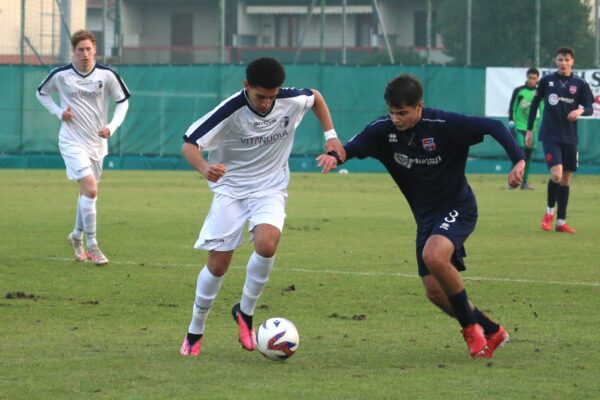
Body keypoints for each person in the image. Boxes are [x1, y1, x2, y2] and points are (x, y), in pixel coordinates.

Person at [317, 74, 525, 358]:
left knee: (434, 256)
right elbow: (350, 149)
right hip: (426, 218)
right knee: (435, 293)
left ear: (419, 107)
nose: (395, 118)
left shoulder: (444, 124)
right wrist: (335, 157)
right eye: (391, 112)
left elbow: (494, 126)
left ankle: (469, 329)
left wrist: (519, 159)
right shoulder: (382, 130)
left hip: (458, 207)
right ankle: (492, 330)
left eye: (402, 112)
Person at [179, 57, 345, 357]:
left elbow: (316, 97)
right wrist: (205, 169)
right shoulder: (230, 111)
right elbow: (189, 143)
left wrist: (330, 137)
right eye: (260, 96)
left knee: (267, 244)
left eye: (272, 96)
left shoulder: (290, 99)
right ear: (246, 86)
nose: (267, 103)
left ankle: (245, 312)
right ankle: (195, 330)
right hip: (230, 190)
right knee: (218, 264)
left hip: (269, 188)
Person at [36, 30, 130, 265]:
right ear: (74, 52)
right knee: (91, 189)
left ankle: (76, 236)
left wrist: (112, 126)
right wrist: (59, 112)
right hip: (71, 141)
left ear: (95, 49)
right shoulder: (61, 75)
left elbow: (123, 102)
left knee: (87, 193)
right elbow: (41, 93)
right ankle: (93, 245)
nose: (85, 54)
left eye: (89, 49)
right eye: (80, 50)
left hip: (97, 143)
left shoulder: (106, 75)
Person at [526, 47, 594, 234]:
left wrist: (580, 111)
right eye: (560, 60)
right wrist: (529, 130)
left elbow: (589, 107)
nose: (563, 63)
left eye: (567, 60)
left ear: (572, 62)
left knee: (566, 180)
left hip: (570, 138)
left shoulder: (580, 83)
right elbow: (534, 104)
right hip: (550, 135)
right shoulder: (547, 81)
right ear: (555, 61)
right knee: (556, 174)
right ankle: (549, 213)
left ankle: (561, 222)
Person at [508, 67, 543, 190]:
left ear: (537, 79)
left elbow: (543, 109)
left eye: (534, 78)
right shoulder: (519, 91)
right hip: (518, 126)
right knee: (519, 153)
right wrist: (511, 121)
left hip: (531, 129)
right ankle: (511, 183)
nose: (532, 80)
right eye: (530, 78)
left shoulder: (539, 93)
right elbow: (512, 107)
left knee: (527, 156)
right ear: (526, 78)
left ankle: (524, 183)